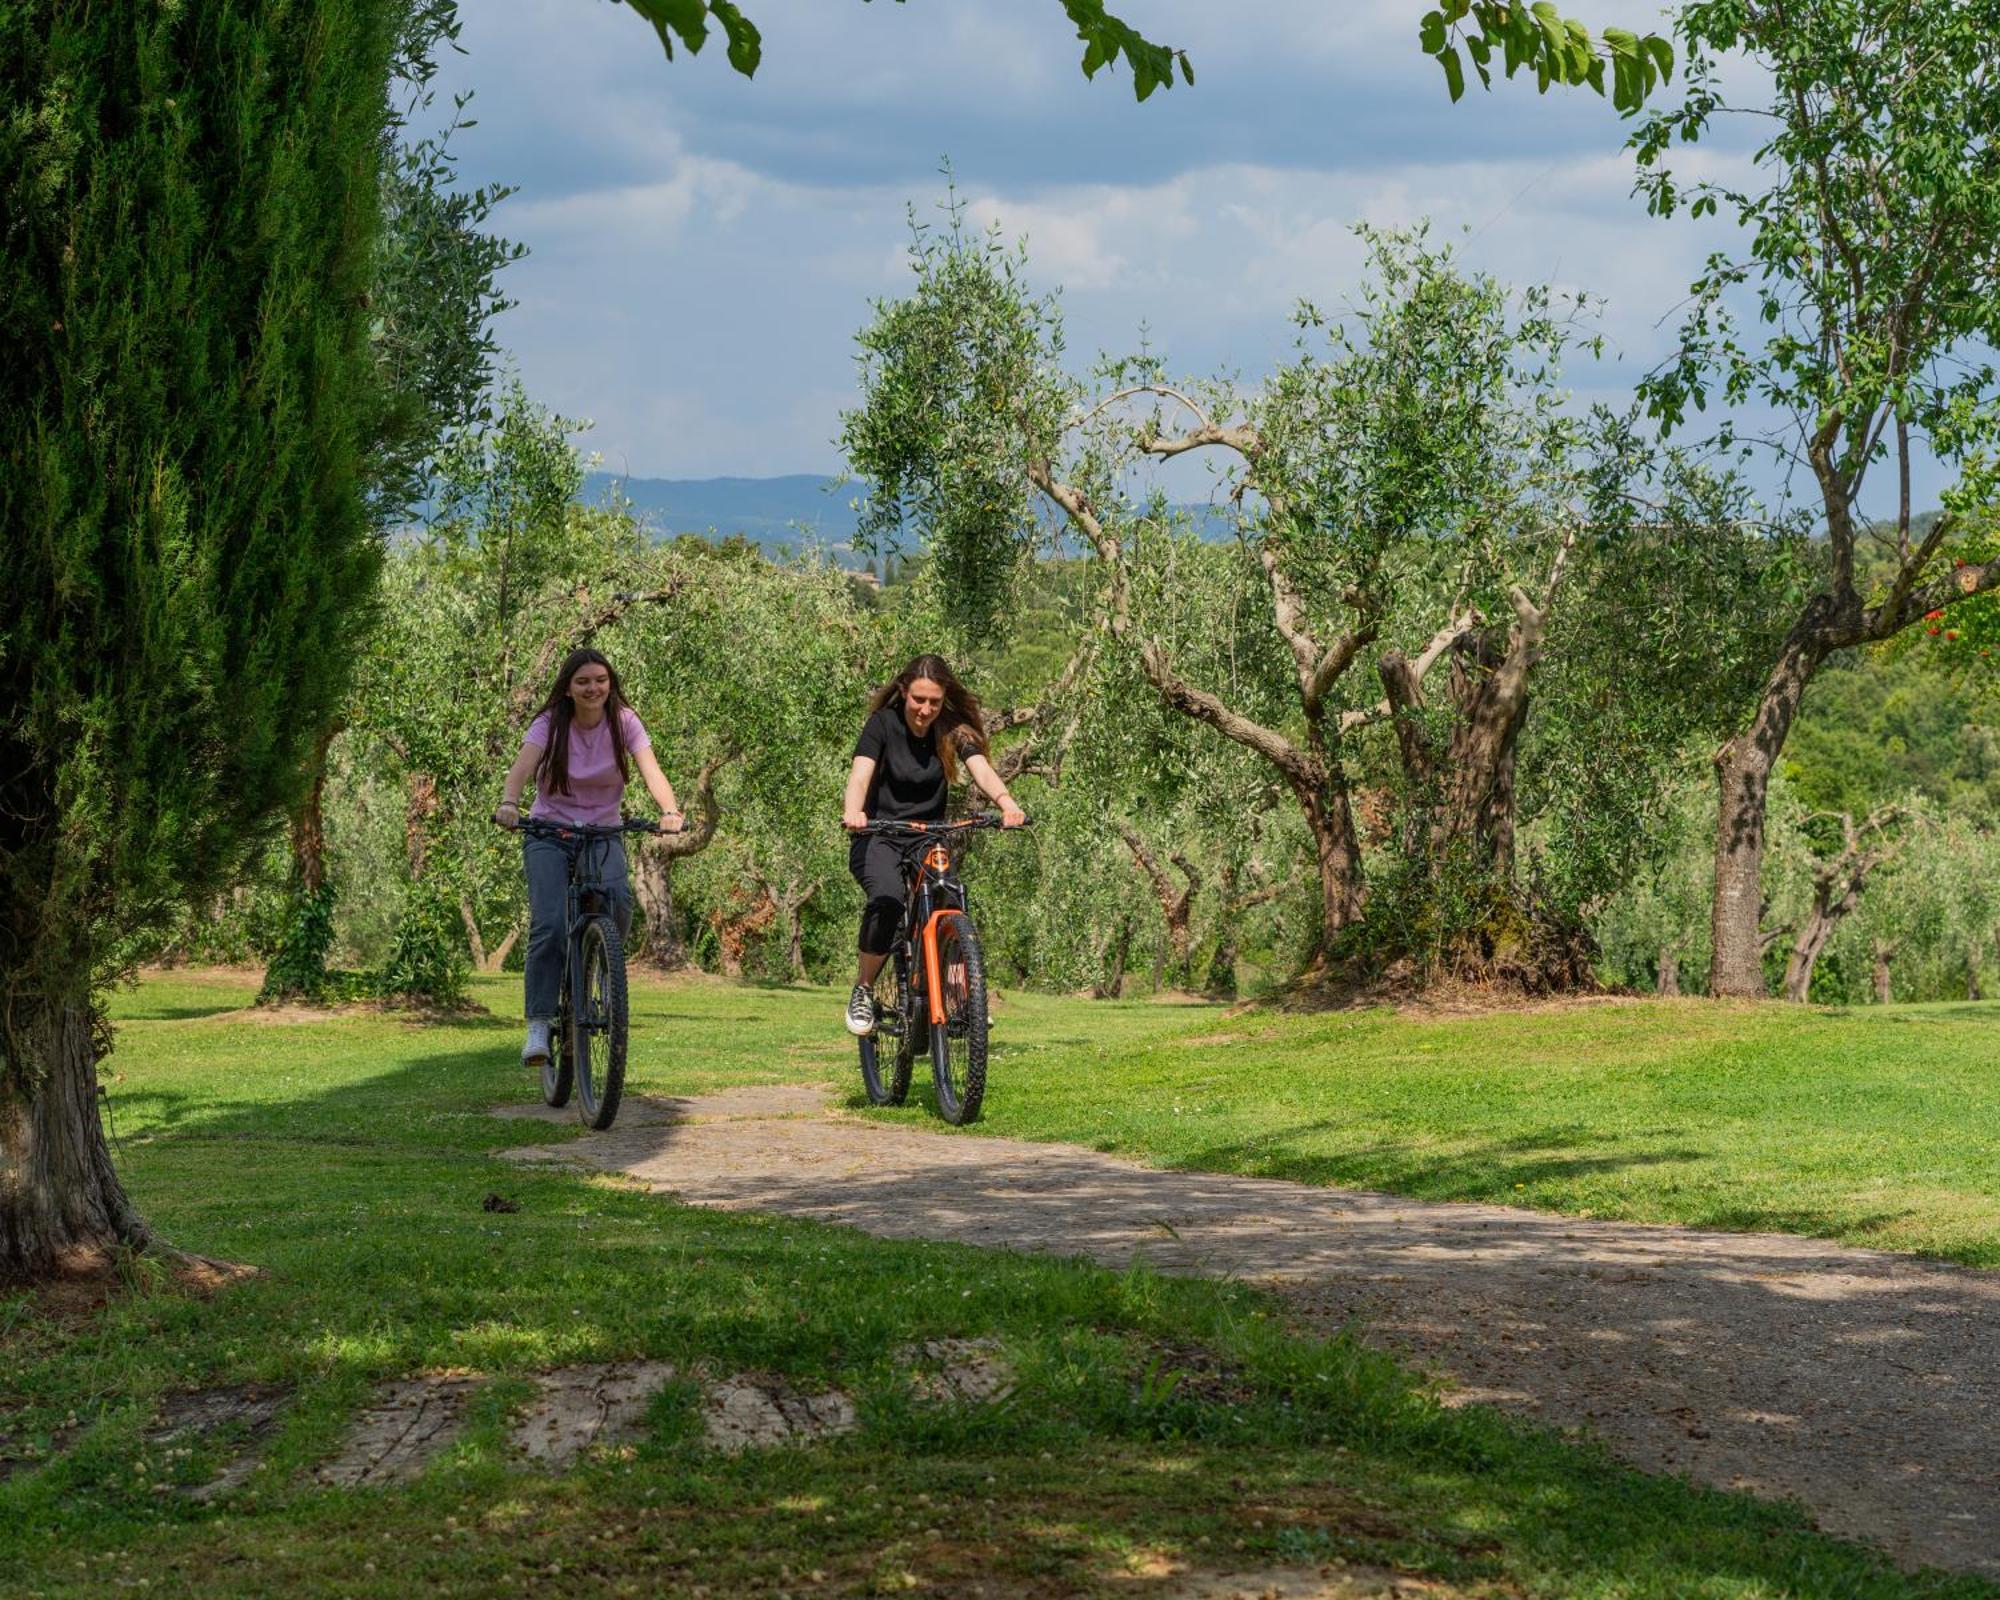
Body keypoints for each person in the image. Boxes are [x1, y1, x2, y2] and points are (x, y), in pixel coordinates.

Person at [493, 648, 684, 1066]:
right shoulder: (549, 725)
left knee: (618, 899)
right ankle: (540, 1024)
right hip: (548, 832)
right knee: (549, 924)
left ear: (610, 682)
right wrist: (510, 803)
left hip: (602, 832)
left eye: (600, 679)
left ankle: (601, 964)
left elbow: (651, 771)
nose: (593, 687)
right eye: (583, 681)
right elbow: (520, 769)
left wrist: (670, 812)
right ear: (567, 688)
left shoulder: (625, 723)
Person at [840, 654, 1025, 1035]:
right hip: (880, 833)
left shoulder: (951, 728)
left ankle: (962, 1000)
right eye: (918, 700)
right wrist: (854, 812)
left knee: (950, 896)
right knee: (888, 899)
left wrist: (1006, 803)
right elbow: (860, 774)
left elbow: (981, 769)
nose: (925, 710)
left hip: (927, 835)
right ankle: (863, 990)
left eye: (934, 702)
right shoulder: (882, 724)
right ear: (904, 692)